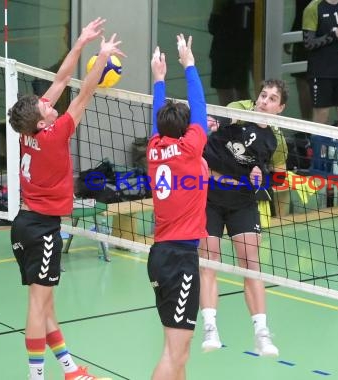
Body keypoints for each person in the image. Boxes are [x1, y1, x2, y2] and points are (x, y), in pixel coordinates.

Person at [8, 18, 124, 380]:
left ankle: (70, 370)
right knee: (37, 305)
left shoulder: (30, 129)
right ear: (42, 123)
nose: (50, 105)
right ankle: (36, 375)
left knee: (47, 305)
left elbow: (60, 81)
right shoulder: (55, 135)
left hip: (25, 225)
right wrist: (102, 59)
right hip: (41, 230)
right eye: (46, 109)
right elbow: (84, 94)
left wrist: (81, 43)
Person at [199, 79, 289, 357]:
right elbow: (217, 123)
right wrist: (223, 121)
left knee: (251, 265)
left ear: (280, 108)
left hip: (242, 201)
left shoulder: (275, 140)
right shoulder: (236, 111)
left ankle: (261, 332)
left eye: (272, 99)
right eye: (263, 95)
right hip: (211, 196)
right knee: (209, 260)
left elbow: (269, 173)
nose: (265, 101)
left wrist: (261, 175)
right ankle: (210, 328)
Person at [146, 34, 209, 380]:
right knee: (175, 353)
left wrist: (159, 78)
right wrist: (189, 64)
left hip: (162, 257)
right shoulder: (189, 151)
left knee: (178, 352)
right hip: (180, 260)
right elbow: (199, 107)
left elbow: (166, 118)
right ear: (186, 131)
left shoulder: (155, 148)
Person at [302, 0, 338, 129]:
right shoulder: (313, 7)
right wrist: (335, 34)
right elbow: (308, 43)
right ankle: (318, 149)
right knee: (322, 117)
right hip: (321, 71)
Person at [208, 0, 255, 106]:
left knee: (226, 91)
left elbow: (213, 26)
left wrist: (216, 8)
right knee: (241, 89)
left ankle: (232, 120)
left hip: (224, 49)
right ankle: (247, 119)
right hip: (243, 49)